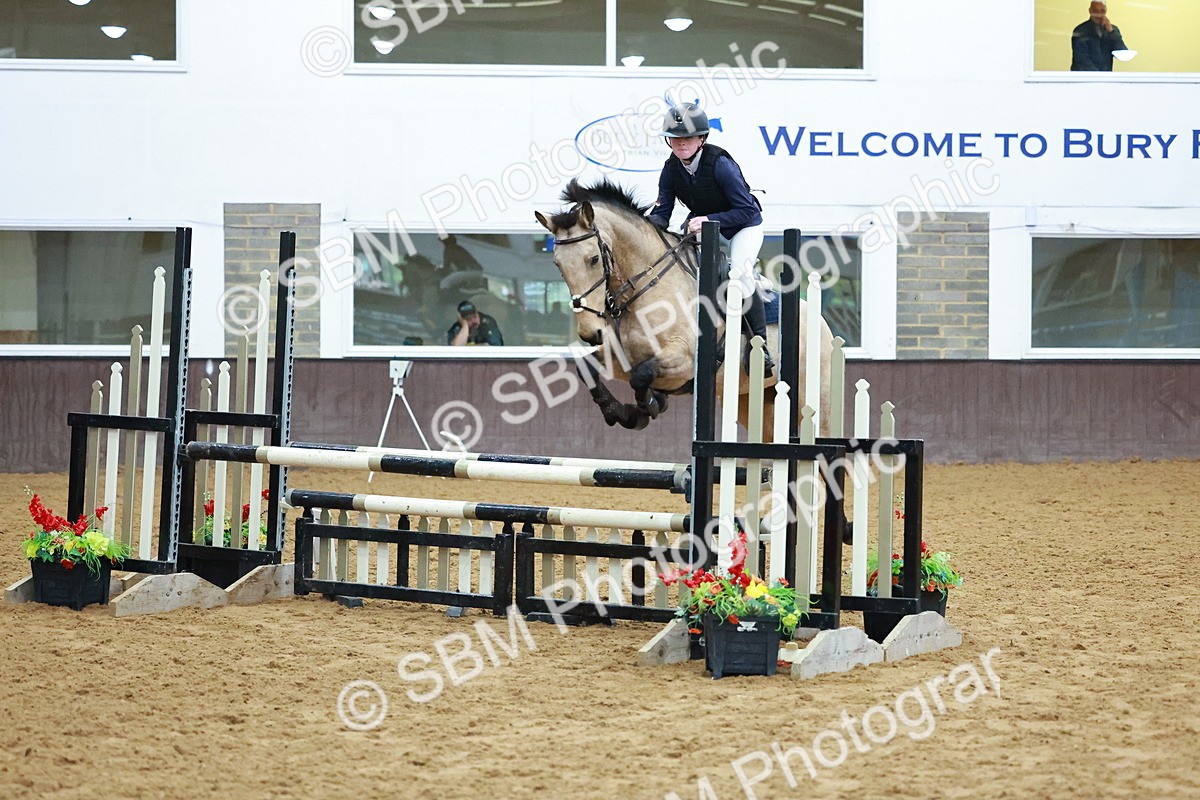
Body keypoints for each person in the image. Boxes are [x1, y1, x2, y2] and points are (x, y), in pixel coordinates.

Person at [647, 100, 773, 376]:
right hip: (705, 229)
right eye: (675, 139)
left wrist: (708, 221)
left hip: (743, 227)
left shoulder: (721, 165)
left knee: (739, 273)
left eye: (688, 138)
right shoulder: (671, 169)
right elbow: (662, 214)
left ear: (702, 138)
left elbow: (746, 209)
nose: (681, 144)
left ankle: (759, 346)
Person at [1071, 2, 1129, 71]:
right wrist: (1099, 76)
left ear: (1106, 11)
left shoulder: (1112, 30)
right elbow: (1082, 59)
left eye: (1102, 11)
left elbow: (1122, 53)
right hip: (1084, 78)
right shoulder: (1081, 30)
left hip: (1104, 78)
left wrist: (1111, 32)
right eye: (1096, 11)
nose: (1099, 15)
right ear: (1090, 11)